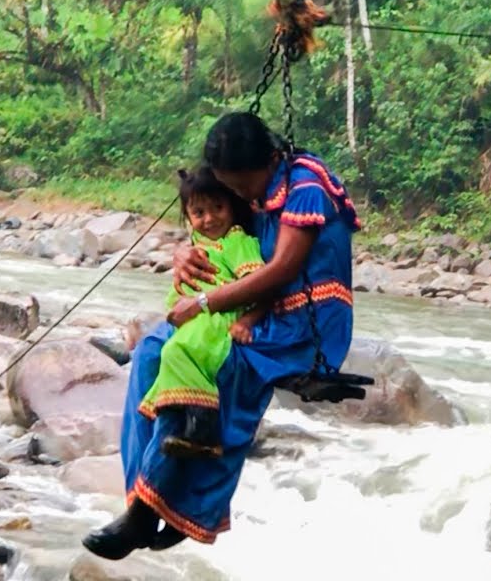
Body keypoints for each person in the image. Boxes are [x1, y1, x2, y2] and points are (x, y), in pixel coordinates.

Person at [82, 111, 362, 560]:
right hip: (253, 309)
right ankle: (141, 500)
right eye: (229, 186)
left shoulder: (305, 185)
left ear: (266, 162)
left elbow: (283, 269)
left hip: (299, 326)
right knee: (152, 354)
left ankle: (168, 508)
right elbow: (219, 230)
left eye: (239, 186)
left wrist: (206, 304)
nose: (237, 195)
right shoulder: (258, 185)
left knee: (202, 371)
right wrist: (185, 254)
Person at [140, 165, 268, 459]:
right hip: (195, 318)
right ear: (187, 217)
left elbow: (259, 285)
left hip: (217, 317)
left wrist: (248, 321)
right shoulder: (197, 245)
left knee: (176, 351)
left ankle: (204, 429)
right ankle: (180, 423)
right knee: (159, 353)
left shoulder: (237, 241)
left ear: (232, 206)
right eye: (199, 213)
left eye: (218, 208)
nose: (209, 219)